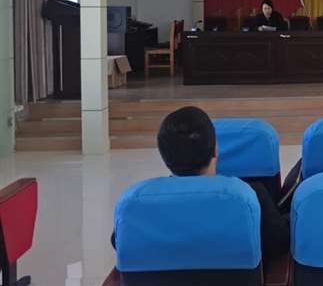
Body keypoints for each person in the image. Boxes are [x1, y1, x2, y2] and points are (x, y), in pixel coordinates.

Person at [112, 106, 290, 262]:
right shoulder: (250, 197)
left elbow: (120, 243)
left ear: (164, 156)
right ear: (216, 150)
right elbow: (280, 243)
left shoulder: (135, 207)